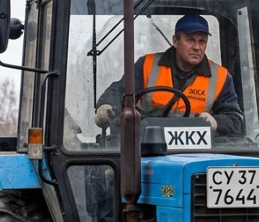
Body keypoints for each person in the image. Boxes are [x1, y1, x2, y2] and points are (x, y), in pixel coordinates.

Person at [94, 14, 244, 138]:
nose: (197, 47)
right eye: (190, 40)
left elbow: (235, 119)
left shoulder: (220, 77)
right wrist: (106, 106)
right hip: (147, 146)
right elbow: (121, 91)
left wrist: (215, 122)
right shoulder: (147, 65)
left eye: (202, 41)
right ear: (175, 41)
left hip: (200, 153)